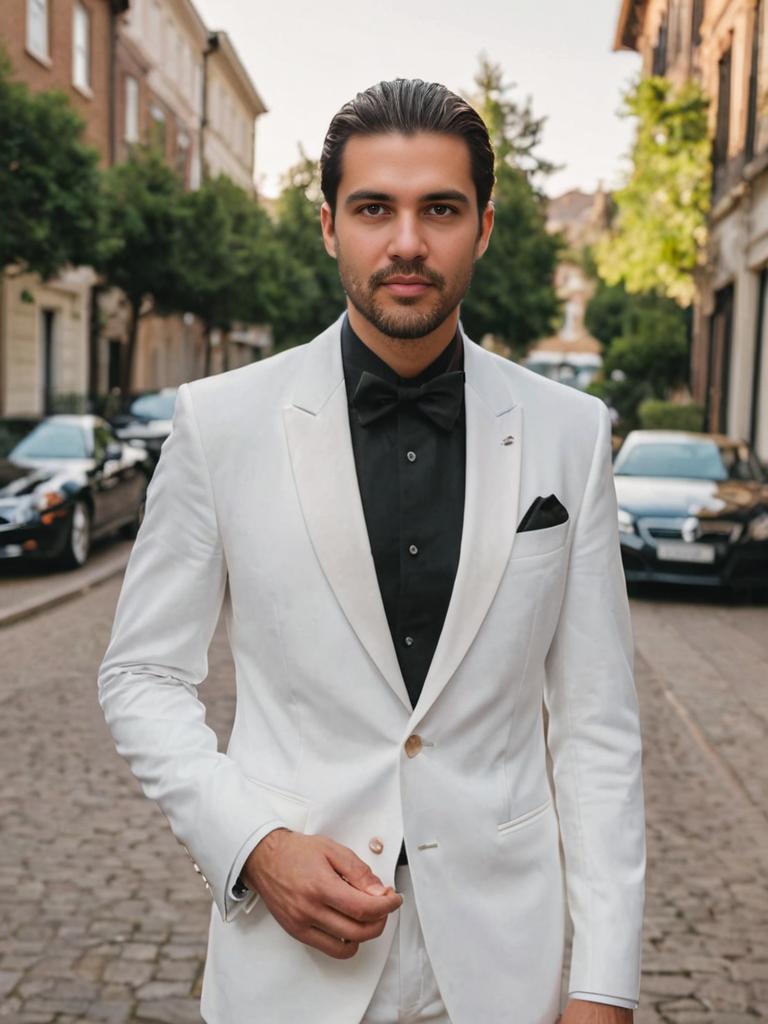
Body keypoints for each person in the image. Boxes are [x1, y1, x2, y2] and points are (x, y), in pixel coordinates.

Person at [98, 78, 645, 1024]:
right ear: (327, 226)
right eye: (372, 209)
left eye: (438, 208)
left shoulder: (570, 431)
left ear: (481, 226)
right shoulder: (220, 423)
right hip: (287, 966)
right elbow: (143, 675)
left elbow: (596, 731)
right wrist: (254, 843)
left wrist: (603, 983)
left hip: (502, 967)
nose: (405, 242)